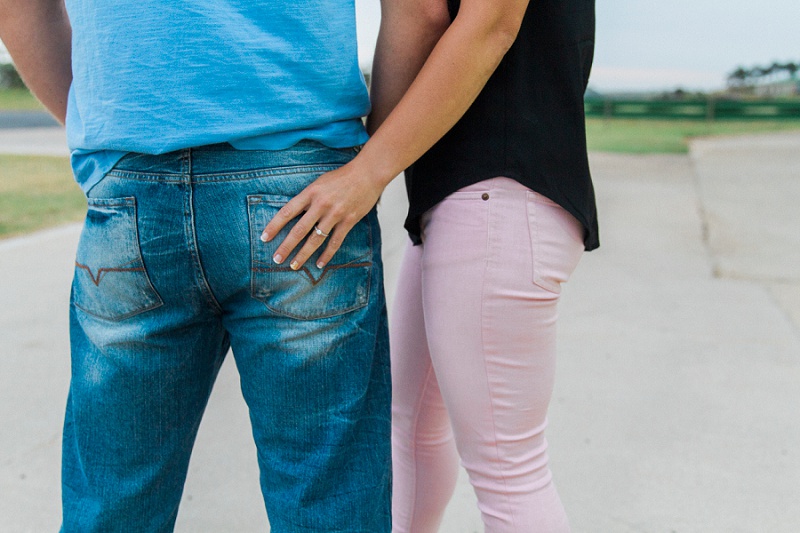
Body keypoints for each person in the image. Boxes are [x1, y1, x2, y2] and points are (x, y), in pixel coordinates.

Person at [0, 1, 391, 531]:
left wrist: (110, 145)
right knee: (327, 503)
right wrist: (374, 165)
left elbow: (18, 9)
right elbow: (421, 12)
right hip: (300, 183)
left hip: (135, 177)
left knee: (113, 507)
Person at [265, 0, 598, 530]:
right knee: (414, 428)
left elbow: (478, 22)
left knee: (510, 471)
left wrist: (364, 168)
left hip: (496, 195)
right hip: (470, 197)